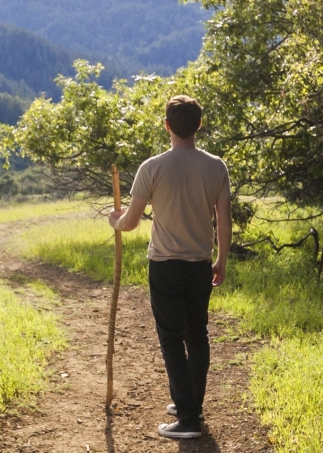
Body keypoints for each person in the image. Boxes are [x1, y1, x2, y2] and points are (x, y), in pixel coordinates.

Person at [107, 95, 231, 440]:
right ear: (199, 125)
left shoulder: (152, 167)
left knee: (172, 339)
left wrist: (114, 221)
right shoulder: (216, 166)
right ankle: (190, 403)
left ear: (167, 126)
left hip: (164, 265)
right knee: (197, 334)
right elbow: (223, 220)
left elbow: (130, 223)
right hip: (199, 265)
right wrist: (221, 259)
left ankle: (188, 418)